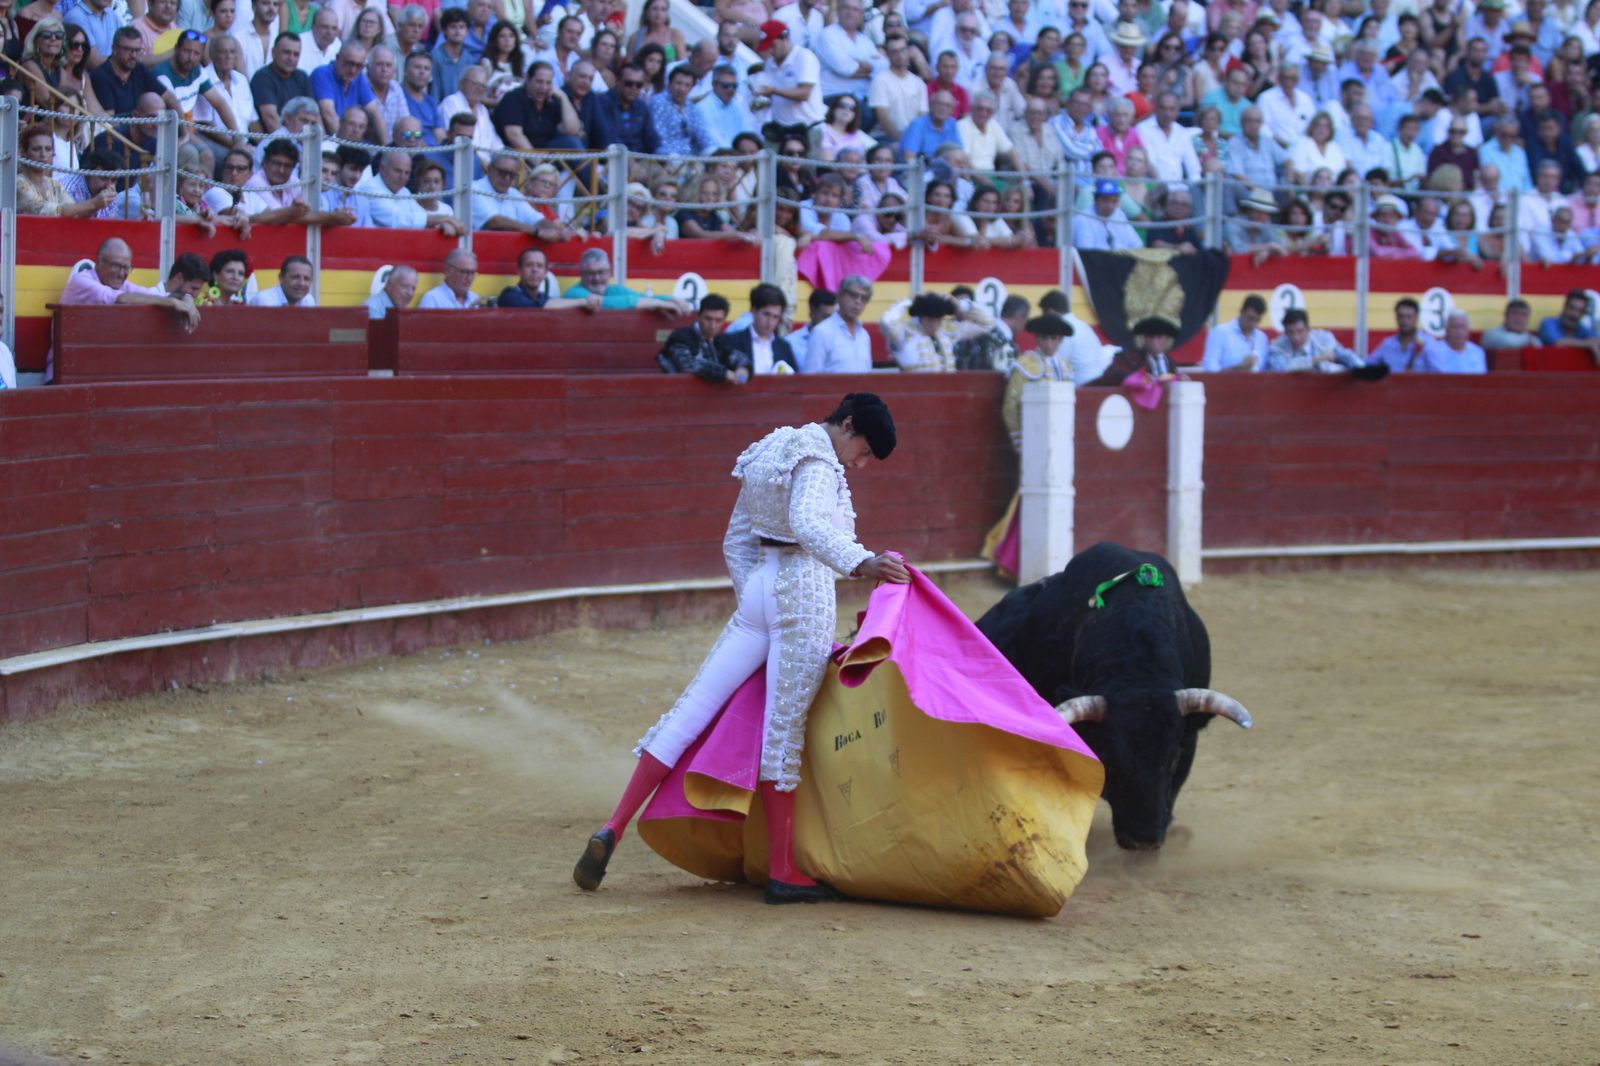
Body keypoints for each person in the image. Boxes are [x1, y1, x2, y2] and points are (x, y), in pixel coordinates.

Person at [574, 393, 910, 903]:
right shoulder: (819, 460)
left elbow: (735, 539)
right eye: (862, 450)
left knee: (690, 710)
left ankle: (613, 827)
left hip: (759, 592)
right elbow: (810, 524)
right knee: (783, 732)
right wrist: (862, 562)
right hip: (804, 592)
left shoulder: (773, 447)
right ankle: (783, 871)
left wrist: (756, 599)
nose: (859, 463)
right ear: (847, 425)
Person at [60, 237, 202, 334]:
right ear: (99, 262)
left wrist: (186, 297)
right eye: (116, 266)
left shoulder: (122, 285)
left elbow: (154, 295)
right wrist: (171, 302)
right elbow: (120, 299)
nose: (121, 273)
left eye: (126, 268)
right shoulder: (82, 281)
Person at [1000, 315, 1077, 449]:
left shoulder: (1065, 367)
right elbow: (1010, 407)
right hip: (1032, 435)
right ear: (1037, 338)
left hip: (1060, 437)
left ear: (1061, 341)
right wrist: (1020, 442)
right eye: (1044, 338)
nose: (1049, 344)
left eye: (1054, 338)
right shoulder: (1025, 365)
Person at [563, 248, 690, 314]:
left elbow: (641, 297)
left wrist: (671, 299)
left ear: (609, 272)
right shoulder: (574, 293)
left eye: (601, 272)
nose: (597, 278)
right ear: (581, 274)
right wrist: (657, 303)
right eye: (591, 273)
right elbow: (606, 303)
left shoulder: (614, 290)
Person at [658, 293, 744, 382]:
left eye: (718, 321)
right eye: (708, 319)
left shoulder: (722, 340)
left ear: (724, 320)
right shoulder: (680, 337)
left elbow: (742, 361)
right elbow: (687, 365)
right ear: (698, 316)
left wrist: (742, 374)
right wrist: (724, 374)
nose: (712, 326)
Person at [717, 284, 798, 375]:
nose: (770, 322)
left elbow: (795, 380)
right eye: (766, 314)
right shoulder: (732, 342)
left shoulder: (784, 347)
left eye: (775, 317)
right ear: (754, 311)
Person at [803, 274, 873, 373]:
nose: (858, 301)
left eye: (864, 298)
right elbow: (810, 376)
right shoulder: (822, 332)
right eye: (853, 295)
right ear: (839, 295)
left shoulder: (864, 335)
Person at [496, 246, 599, 310]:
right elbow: (538, 307)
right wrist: (582, 302)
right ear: (519, 271)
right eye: (529, 265)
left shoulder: (543, 297)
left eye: (539, 266)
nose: (534, 270)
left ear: (545, 273)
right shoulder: (510, 295)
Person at [1266, 308, 1365, 372]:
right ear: (1285, 332)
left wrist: (1362, 369)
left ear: (1308, 329)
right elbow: (1282, 368)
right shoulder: (1277, 347)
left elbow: (1345, 356)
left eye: (1300, 331)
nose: (1296, 337)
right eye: (1291, 332)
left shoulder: (1323, 339)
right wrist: (1317, 359)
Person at [1090, 316, 1180, 385]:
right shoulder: (1129, 358)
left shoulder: (1169, 362)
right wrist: (1138, 378)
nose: (1155, 341)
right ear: (1145, 339)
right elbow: (1110, 376)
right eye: (1151, 337)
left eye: (1159, 337)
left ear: (1167, 340)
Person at [1202, 295, 1270, 372]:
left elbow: (1264, 370)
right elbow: (1209, 369)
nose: (1253, 324)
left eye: (1258, 320)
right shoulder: (1220, 332)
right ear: (1241, 311)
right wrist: (1239, 368)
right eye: (1250, 318)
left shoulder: (1261, 338)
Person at [1368, 297, 1433, 372]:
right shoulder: (1387, 344)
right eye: (1401, 316)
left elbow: (1439, 375)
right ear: (1396, 318)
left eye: (1409, 317)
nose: (1404, 320)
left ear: (1416, 318)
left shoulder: (1428, 344)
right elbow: (1368, 365)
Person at [1536, 289, 1600, 360]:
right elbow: (1557, 343)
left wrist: (1593, 344)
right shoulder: (1548, 323)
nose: (1574, 314)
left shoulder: (1582, 329)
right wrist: (1589, 344)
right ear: (1564, 307)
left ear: (1583, 314)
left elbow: (1596, 341)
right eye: (1572, 308)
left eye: (1580, 311)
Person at [1421, 310, 1487, 373]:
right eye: (1454, 327)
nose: (1459, 331)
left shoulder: (1477, 352)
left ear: (1468, 331)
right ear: (1446, 329)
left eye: (1462, 327)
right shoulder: (1433, 351)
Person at [251, 255, 316, 306]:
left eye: (306, 279)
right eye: (295, 277)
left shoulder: (309, 300)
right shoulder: (264, 301)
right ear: (281, 278)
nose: (301, 283)